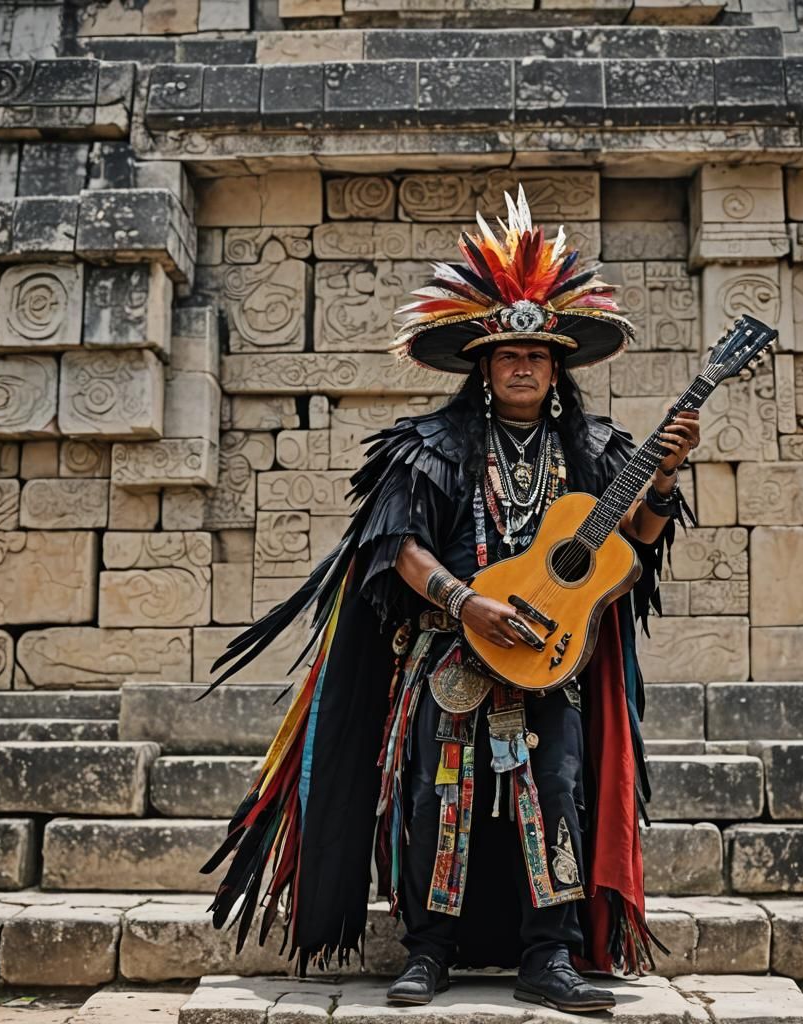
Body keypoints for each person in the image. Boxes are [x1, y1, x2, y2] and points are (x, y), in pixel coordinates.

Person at [200, 186, 699, 1014]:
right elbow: (391, 546)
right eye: (507, 356)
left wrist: (668, 475)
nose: (524, 367)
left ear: (558, 366)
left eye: (538, 357)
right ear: (483, 366)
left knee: (560, 789)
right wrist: (467, 603)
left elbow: (635, 547)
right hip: (450, 654)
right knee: (441, 796)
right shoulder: (426, 448)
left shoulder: (600, 450)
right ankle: (428, 950)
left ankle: (551, 954)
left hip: (554, 661)